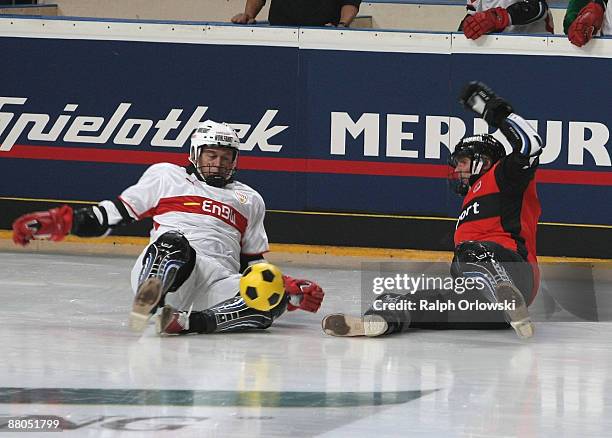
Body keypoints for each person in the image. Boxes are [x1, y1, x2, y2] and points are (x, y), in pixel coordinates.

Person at [12, 120, 324, 335]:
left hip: (218, 281)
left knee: (271, 297)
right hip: (171, 267)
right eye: (211, 156)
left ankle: (187, 323)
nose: (218, 163)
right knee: (173, 241)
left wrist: (286, 286)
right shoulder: (167, 176)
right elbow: (112, 214)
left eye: (225, 158)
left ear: (235, 161)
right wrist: (58, 222)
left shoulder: (250, 198)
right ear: (195, 154)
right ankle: (152, 300)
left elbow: (253, 264)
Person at [322, 82, 544, 339]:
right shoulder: (471, 198)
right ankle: (379, 321)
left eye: (463, 162)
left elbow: (531, 144)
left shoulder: (504, 174)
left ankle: (503, 289)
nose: (458, 170)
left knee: (468, 250)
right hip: (481, 296)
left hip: (515, 271)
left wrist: (493, 111)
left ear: (483, 159)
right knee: (407, 299)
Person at [460, 0, 554, 39]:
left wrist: (500, 17)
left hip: (533, 48)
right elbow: (472, 12)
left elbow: (538, 7)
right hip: (492, 48)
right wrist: (467, 28)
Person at [231, 0, 361, 27]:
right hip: (280, 34)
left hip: (323, 36)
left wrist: (342, 25)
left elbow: (350, 3)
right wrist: (248, 14)